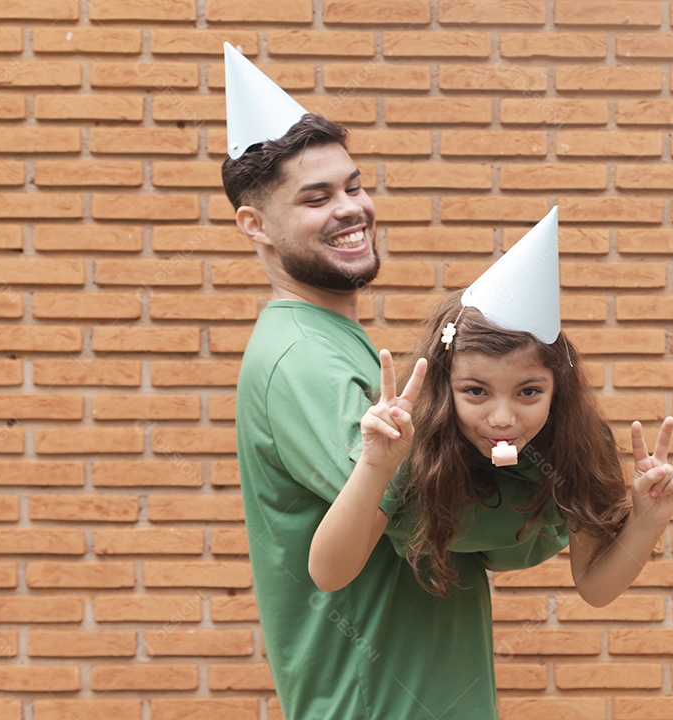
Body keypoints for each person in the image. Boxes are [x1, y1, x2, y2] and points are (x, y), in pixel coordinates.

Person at [223, 44, 533, 719]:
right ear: (256, 226)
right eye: (316, 197)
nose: (350, 209)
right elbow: (423, 510)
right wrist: (571, 505)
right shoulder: (301, 358)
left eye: (353, 186)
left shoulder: (339, 344)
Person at [310, 208, 673, 695]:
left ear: (558, 389)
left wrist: (648, 519)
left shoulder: (574, 445)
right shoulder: (415, 443)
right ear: (447, 389)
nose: (503, 418)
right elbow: (328, 573)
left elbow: (595, 588)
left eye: (528, 392)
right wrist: (376, 464)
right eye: (476, 392)